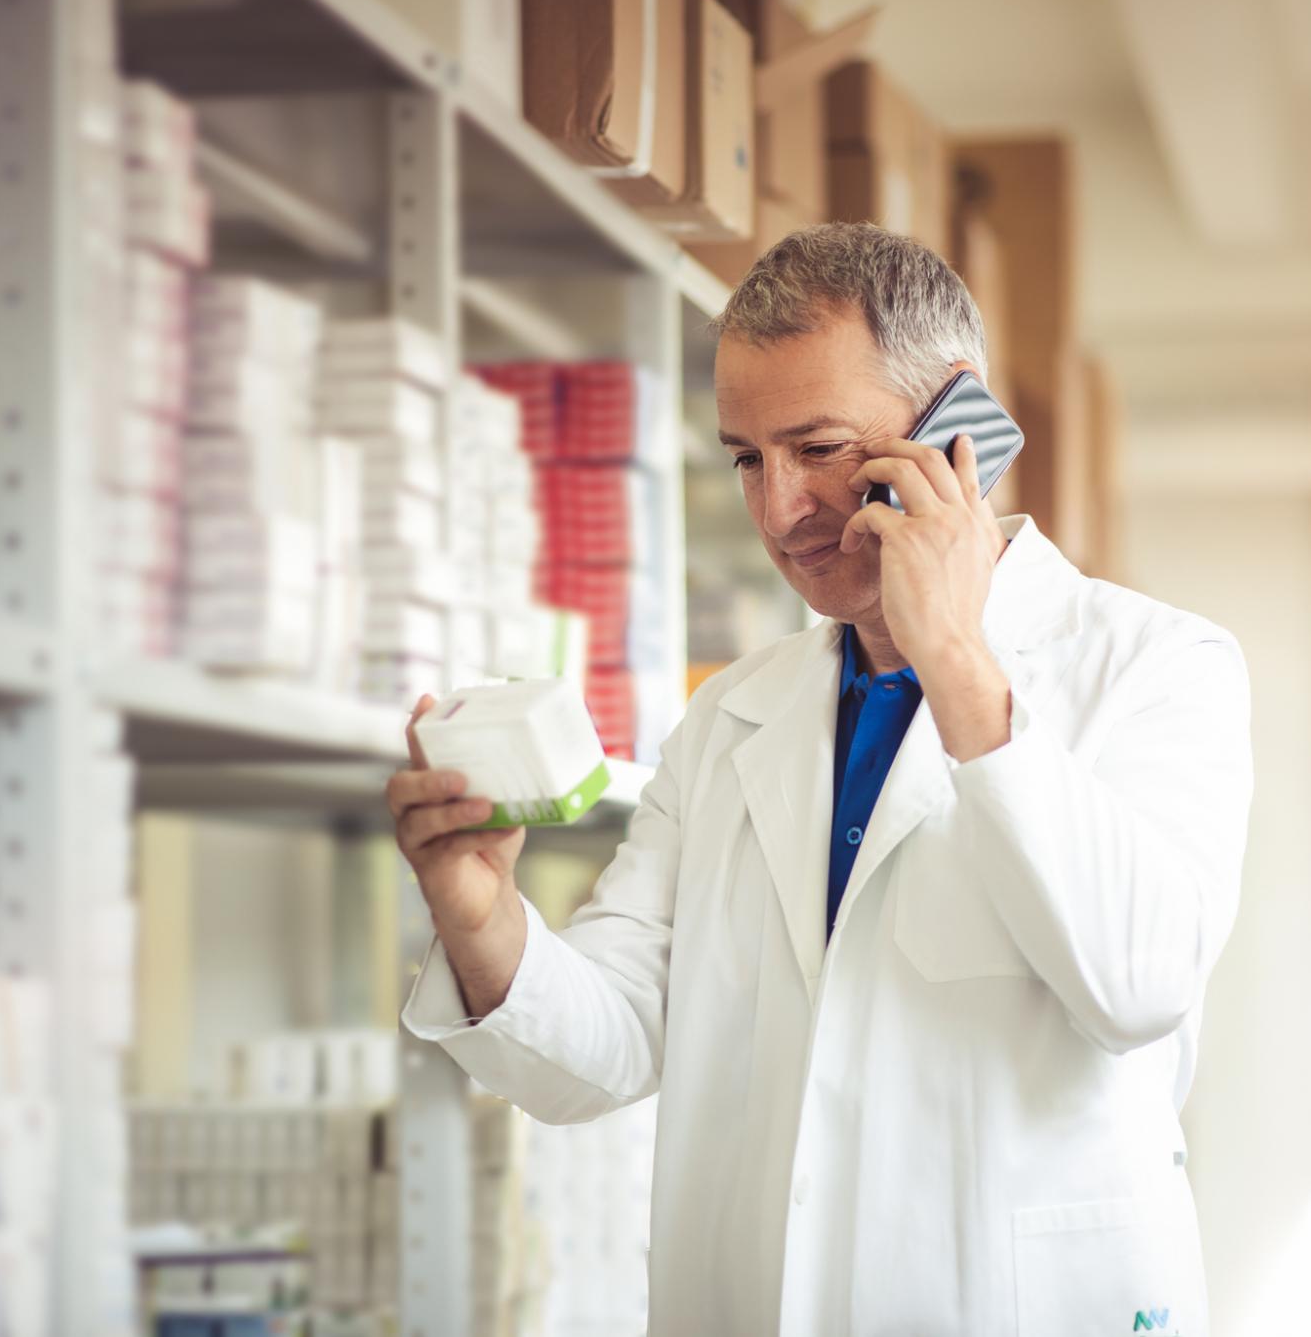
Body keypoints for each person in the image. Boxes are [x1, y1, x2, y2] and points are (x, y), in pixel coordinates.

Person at [387, 222, 1254, 1335]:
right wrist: (479, 914)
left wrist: (953, 660)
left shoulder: (1154, 667)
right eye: (747, 456)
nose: (779, 511)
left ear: (959, 437)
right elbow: (596, 1055)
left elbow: (1135, 984)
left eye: (819, 449)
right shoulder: (730, 719)